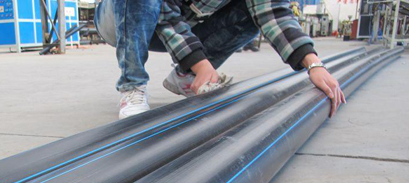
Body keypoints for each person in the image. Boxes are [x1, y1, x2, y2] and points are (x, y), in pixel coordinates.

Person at [94, 0, 346, 119]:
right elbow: (165, 13)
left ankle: (187, 76)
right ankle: (132, 84)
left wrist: (313, 63)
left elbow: (273, 12)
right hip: (122, 15)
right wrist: (200, 61)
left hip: (185, 21)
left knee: (250, 15)